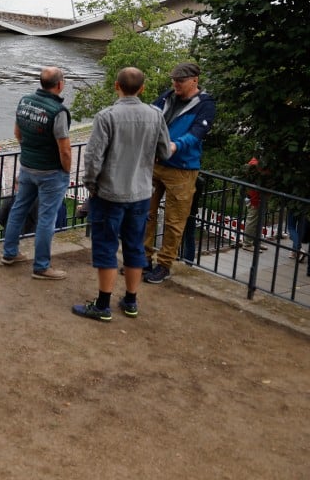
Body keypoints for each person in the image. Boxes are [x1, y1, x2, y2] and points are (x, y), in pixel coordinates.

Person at [72, 68, 173, 322]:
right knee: (134, 246)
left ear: (117, 86)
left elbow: (93, 157)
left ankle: (103, 304)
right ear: (143, 88)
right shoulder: (155, 115)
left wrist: (91, 184)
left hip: (109, 193)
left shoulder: (107, 116)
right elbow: (165, 151)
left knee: (106, 246)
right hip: (140, 193)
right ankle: (130, 301)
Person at [144, 62, 216, 284]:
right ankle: (142, 258)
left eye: (180, 80)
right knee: (145, 213)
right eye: (174, 80)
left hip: (182, 170)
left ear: (194, 80)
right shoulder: (167, 96)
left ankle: (163, 265)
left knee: (175, 221)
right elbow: (150, 115)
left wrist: (174, 146)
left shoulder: (205, 105)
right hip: (156, 164)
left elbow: (197, 132)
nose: (175, 83)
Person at [0, 67, 73, 280]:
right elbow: (65, 148)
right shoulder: (58, 111)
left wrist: (30, 152)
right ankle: (41, 266)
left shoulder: (24, 101)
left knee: (19, 208)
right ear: (59, 85)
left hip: (27, 166)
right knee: (46, 219)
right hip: (51, 171)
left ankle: (9, 253)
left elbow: (17, 133)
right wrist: (65, 170)